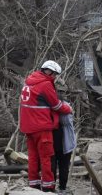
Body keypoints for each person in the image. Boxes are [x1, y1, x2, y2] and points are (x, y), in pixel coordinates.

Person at [19, 60, 72, 192]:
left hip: (28, 128)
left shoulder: (29, 81)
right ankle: (48, 188)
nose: (54, 77)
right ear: (49, 71)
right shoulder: (45, 84)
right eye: (54, 74)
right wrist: (68, 109)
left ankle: (34, 186)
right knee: (46, 158)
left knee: (33, 158)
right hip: (42, 128)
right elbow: (56, 105)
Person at [52, 108, 76, 194]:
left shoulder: (49, 107)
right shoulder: (65, 108)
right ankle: (58, 188)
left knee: (59, 167)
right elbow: (67, 119)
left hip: (62, 143)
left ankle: (59, 188)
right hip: (59, 143)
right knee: (59, 167)